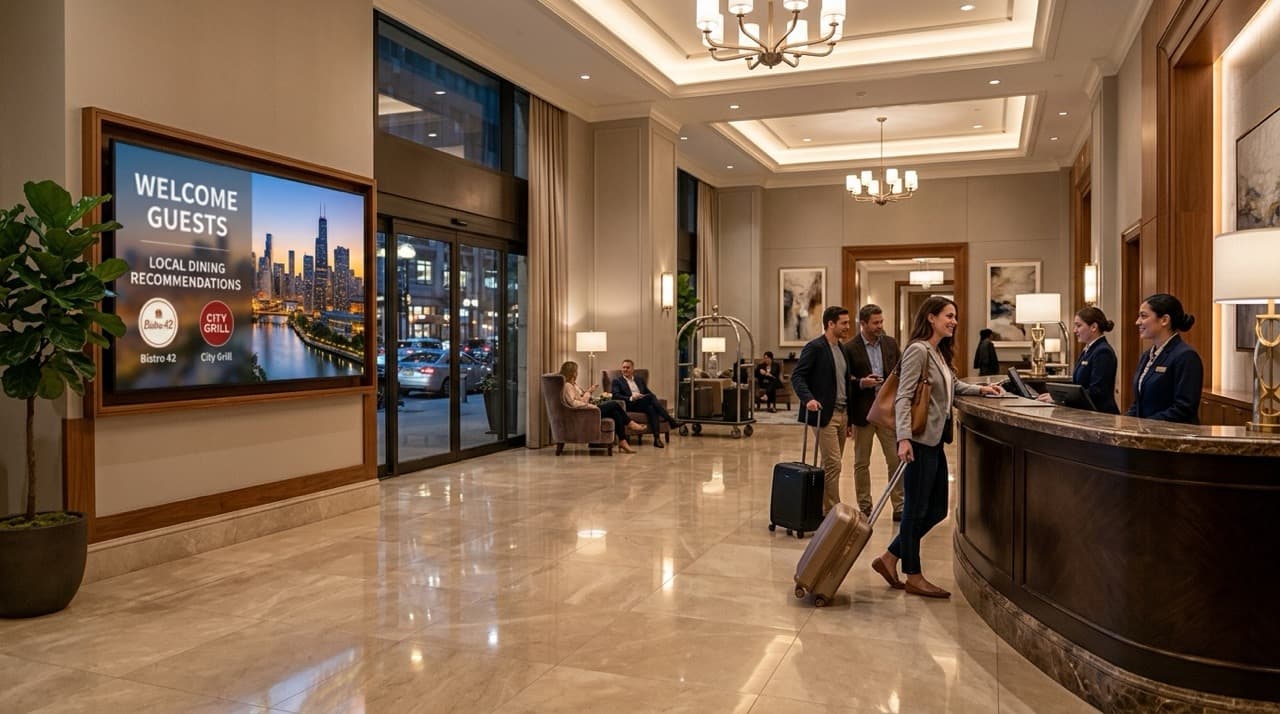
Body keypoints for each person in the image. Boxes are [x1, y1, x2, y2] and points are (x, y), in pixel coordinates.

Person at [871, 296, 1004, 598]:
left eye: (955, 316)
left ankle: (890, 557)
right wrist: (903, 438)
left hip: (934, 441)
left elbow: (953, 386)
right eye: (948, 316)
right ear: (931, 318)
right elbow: (904, 396)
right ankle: (913, 575)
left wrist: (982, 389)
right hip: (918, 442)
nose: (954, 321)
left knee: (936, 509)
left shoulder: (937, 352)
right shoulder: (918, 350)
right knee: (915, 510)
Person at [789, 305, 854, 515]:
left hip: (843, 413)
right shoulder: (815, 347)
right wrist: (808, 399)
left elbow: (843, 382)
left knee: (831, 464)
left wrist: (850, 419)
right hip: (824, 415)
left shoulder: (842, 349)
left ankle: (824, 508)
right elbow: (797, 376)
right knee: (834, 464)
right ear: (831, 324)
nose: (848, 326)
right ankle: (833, 511)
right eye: (844, 323)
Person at [844, 304, 904, 521]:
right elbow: (845, 380)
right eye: (875, 323)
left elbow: (901, 371)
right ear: (863, 324)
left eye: (881, 321)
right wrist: (862, 382)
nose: (880, 326)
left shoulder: (890, 343)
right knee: (862, 462)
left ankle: (899, 506)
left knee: (895, 460)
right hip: (863, 413)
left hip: (887, 411)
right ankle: (865, 506)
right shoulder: (850, 348)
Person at [1126, 293, 1203, 424]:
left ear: (1164, 320)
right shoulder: (1146, 356)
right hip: (1146, 433)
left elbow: (1183, 408)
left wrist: (1145, 425)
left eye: (1143, 316)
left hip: (1171, 434)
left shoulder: (1186, 356)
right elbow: (1139, 402)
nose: (1137, 322)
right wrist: (1125, 422)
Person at [1035, 306, 1119, 413]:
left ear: (1093, 327)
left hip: (1100, 415)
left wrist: (1060, 398)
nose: (1075, 330)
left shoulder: (1103, 352)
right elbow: (1077, 386)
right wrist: (1055, 394)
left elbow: (1097, 392)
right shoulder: (1088, 350)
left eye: (1078, 326)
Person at [561, 361, 646, 453]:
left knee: (616, 413)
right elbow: (573, 403)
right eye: (576, 371)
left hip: (589, 409)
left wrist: (589, 393)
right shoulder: (568, 386)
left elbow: (581, 397)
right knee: (614, 404)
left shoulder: (573, 385)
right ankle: (630, 424)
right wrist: (589, 400)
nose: (577, 373)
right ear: (573, 372)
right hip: (586, 412)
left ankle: (622, 441)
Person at [610, 359, 680, 448]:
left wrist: (645, 397)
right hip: (629, 404)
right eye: (623, 367)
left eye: (628, 367)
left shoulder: (639, 379)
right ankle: (671, 421)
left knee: (651, 408)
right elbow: (615, 396)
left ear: (633, 369)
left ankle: (657, 439)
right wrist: (631, 397)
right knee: (650, 398)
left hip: (641, 403)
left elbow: (648, 392)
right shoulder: (617, 381)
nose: (625, 369)